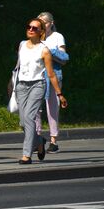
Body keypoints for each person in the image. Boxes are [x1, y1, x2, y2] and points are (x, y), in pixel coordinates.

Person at [15, 18, 68, 164]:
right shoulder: (21, 45)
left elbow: (51, 74)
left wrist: (59, 94)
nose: (31, 30)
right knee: (22, 121)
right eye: (29, 27)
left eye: (35, 28)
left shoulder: (44, 50)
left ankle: (26, 155)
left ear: (41, 32)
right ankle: (39, 141)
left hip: (37, 85)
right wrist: (11, 83)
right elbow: (18, 67)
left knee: (29, 118)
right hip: (21, 86)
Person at [34, 12, 69, 153]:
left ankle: (53, 140)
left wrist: (49, 51)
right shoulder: (35, 36)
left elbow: (64, 57)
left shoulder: (57, 37)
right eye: (40, 22)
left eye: (45, 22)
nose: (42, 25)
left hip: (53, 75)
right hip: (36, 75)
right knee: (35, 109)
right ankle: (37, 139)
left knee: (52, 108)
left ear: (51, 23)